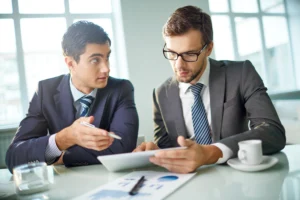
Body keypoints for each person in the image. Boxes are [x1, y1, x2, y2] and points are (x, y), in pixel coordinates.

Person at [134, 6, 285, 173]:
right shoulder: (161, 94)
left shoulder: (241, 73)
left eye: (190, 54)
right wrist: (155, 151)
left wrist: (211, 152)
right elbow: (166, 146)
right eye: (171, 53)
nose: (179, 65)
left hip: (237, 180)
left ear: (209, 49)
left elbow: (273, 131)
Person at [6, 21, 139, 173]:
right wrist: (64, 138)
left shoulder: (121, 89)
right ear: (71, 63)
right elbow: (14, 157)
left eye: (107, 57)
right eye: (95, 60)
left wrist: (60, 157)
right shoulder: (45, 91)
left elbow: (123, 148)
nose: (106, 68)